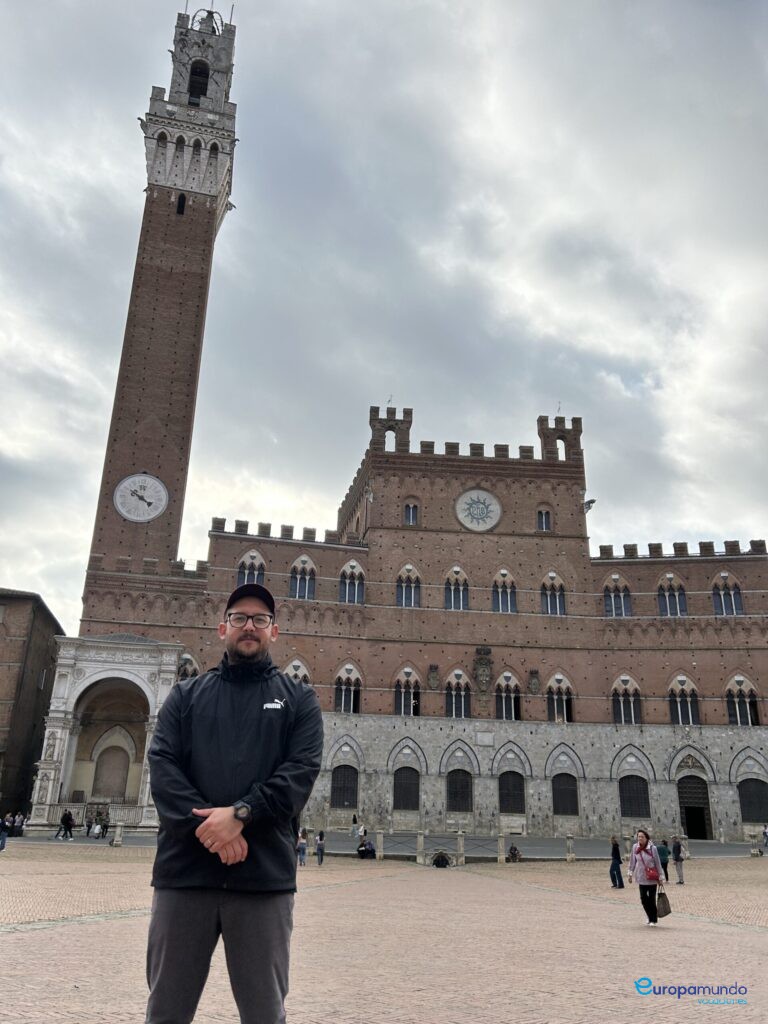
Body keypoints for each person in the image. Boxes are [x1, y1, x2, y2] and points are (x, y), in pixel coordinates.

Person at [145, 582, 323, 1024]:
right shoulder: (185, 696)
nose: (249, 626)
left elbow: (299, 775)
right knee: (166, 1013)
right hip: (185, 877)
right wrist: (212, 831)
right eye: (240, 618)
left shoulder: (299, 700)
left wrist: (242, 814)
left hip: (262, 880)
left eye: (260, 619)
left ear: (274, 631)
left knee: (264, 1015)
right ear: (222, 627)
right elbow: (163, 768)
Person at [628, 829, 664, 925]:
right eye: (638, 837)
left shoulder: (652, 848)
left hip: (652, 877)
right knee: (643, 898)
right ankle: (649, 915)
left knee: (651, 899)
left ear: (646, 838)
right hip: (641, 876)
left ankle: (653, 919)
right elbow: (632, 861)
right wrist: (630, 873)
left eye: (642, 837)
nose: (640, 838)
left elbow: (657, 863)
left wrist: (660, 877)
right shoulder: (635, 847)